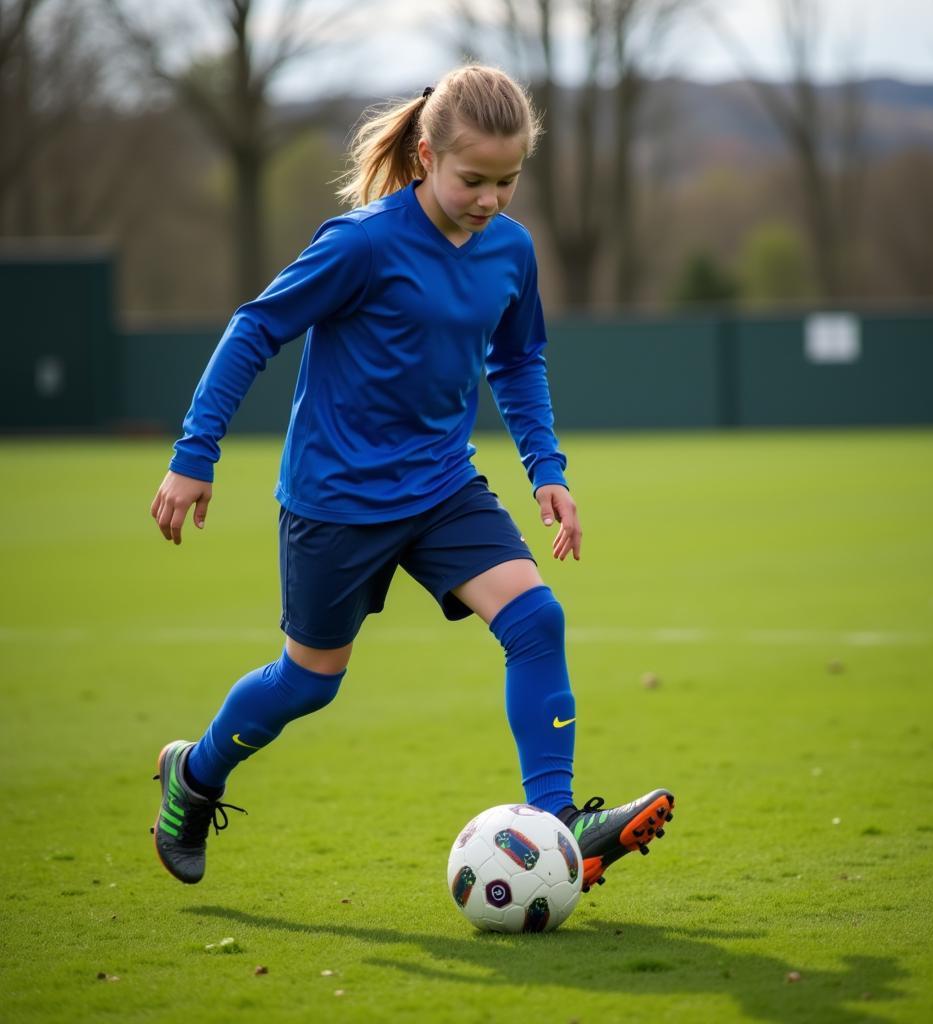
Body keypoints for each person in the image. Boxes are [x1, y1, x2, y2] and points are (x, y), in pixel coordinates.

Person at [149, 64, 674, 891]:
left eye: (508, 180)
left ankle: (559, 822)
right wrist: (194, 453)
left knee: (538, 618)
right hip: (337, 502)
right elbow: (254, 328)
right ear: (427, 155)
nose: (492, 199)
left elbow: (519, 357)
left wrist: (546, 467)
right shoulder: (360, 243)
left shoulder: (511, 248)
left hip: (441, 486)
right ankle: (196, 773)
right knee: (309, 682)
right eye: (474, 179)